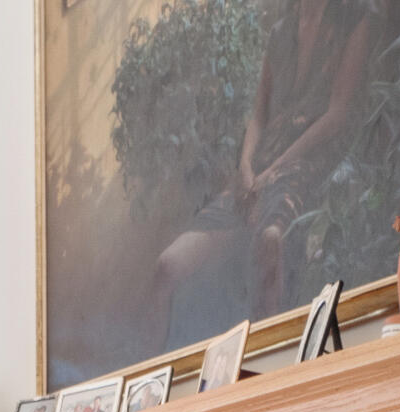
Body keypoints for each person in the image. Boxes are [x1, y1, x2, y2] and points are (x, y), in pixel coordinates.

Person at [147, 0, 383, 338]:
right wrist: (245, 166)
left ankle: (272, 360)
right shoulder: (280, 33)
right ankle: (155, 371)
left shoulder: (353, 20)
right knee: (167, 266)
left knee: (271, 240)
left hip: (307, 166)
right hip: (256, 175)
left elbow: (338, 114)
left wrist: (276, 167)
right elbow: (258, 116)